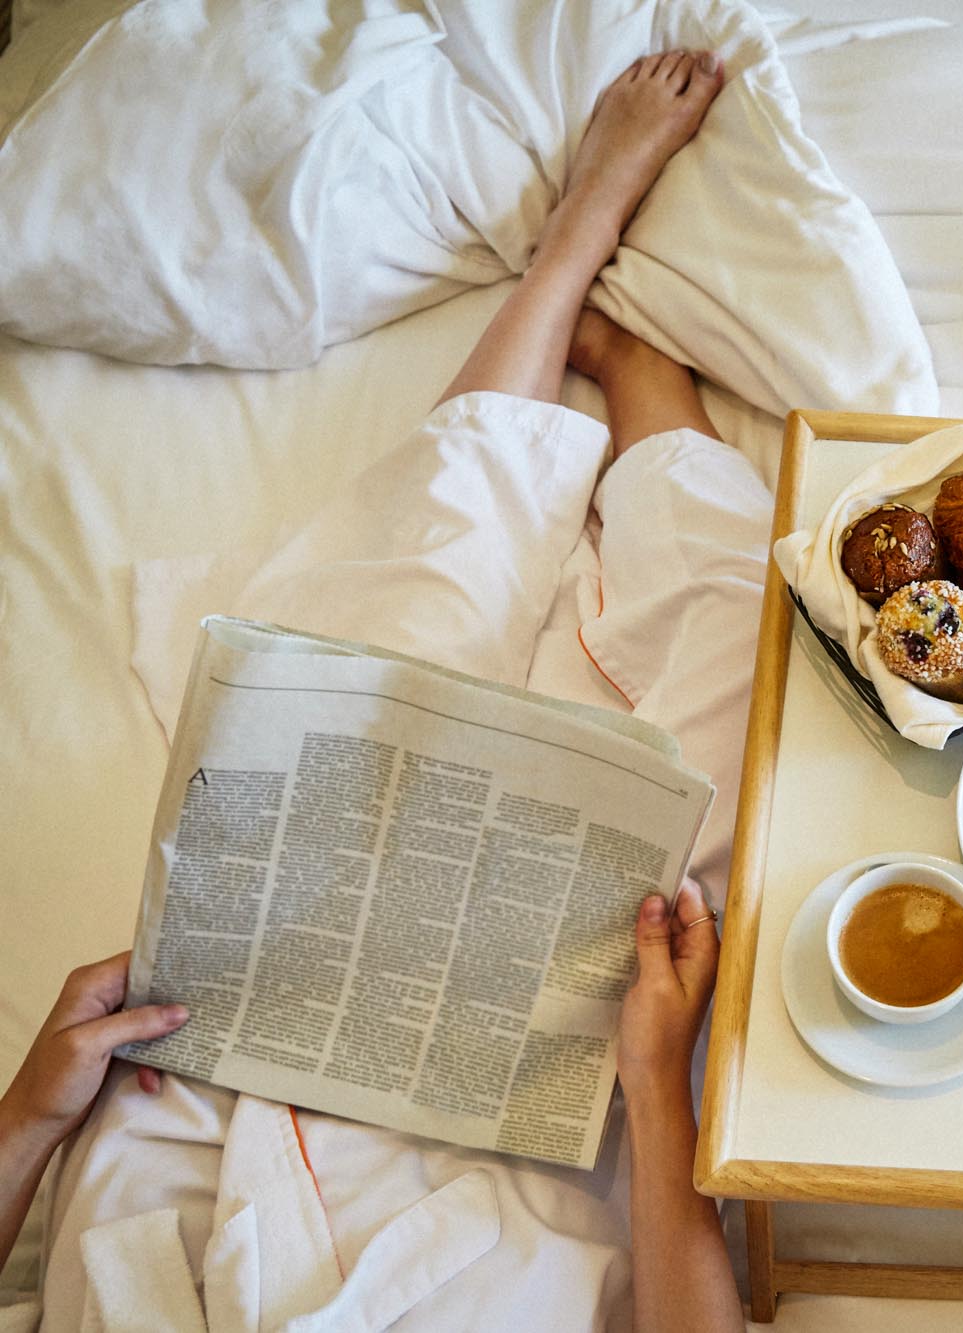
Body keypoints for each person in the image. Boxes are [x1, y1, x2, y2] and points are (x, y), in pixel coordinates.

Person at [0, 49, 759, 1331]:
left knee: (385, 637)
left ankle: (570, 252)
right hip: (536, 1167)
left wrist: (29, 1110)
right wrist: (655, 1084)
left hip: (208, 1112)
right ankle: (632, 368)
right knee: (751, 707)